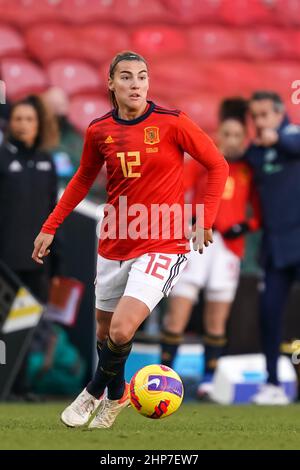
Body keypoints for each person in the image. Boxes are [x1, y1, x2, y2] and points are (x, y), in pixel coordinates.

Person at [32, 51, 228, 429]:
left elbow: (217, 164)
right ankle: (119, 394)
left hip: (163, 243)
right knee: (106, 334)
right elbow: (81, 180)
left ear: (148, 83)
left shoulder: (173, 123)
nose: (135, 84)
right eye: (126, 77)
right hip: (115, 241)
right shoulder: (98, 130)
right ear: (111, 84)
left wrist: (205, 216)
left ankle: (91, 393)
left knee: (122, 330)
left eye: (141, 77)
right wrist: (50, 225)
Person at [160, 98, 261, 398]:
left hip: (229, 249)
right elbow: (176, 189)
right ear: (217, 135)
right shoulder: (205, 163)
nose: (230, 140)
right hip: (196, 242)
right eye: (225, 134)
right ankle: (164, 377)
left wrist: (246, 226)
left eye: (236, 136)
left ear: (244, 140)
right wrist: (192, 216)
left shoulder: (248, 171)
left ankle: (208, 381)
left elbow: (259, 211)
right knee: (178, 311)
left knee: (216, 318)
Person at [0, 95, 63, 397]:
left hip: (36, 260)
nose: (24, 125)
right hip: (5, 259)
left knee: (24, 325)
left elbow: (54, 211)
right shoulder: (1, 157)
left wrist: (56, 259)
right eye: (19, 119)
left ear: (39, 125)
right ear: (9, 123)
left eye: (30, 120)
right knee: (3, 324)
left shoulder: (46, 161)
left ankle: (19, 385)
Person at [246, 91, 300, 405]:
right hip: (275, 246)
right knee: (269, 314)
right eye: (256, 117)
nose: (260, 122)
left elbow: (293, 145)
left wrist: (274, 139)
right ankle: (272, 383)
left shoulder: (292, 136)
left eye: (265, 115)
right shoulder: (257, 152)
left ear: (280, 114)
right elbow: (239, 157)